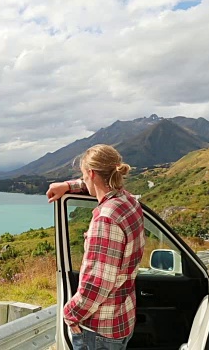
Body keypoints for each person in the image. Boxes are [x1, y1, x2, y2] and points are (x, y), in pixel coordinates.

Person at [46, 144, 145, 350]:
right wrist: (69, 186)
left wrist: (70, 314)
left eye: (84, 175)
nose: (83, 179)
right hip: (122, 318)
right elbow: (98, 186)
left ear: (91, 173)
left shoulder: (106, 220)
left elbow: (97, 285)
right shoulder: (128, 201)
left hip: (99, 330)